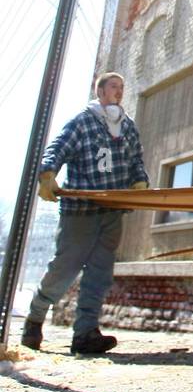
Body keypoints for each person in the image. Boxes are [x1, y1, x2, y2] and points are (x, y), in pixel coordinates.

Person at [21, 72, 150, 356]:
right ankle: (35, 319)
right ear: (100, 91)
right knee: (65, 268)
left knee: (100, 273)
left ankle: (86, 333)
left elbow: (136, 159)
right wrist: (48, 173)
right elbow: (58, 147)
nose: (118, 91)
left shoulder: (127, 126)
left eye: (122, 87)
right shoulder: (83, 120)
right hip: (81, 210)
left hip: (112, 210)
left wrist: (140, 181)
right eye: (113, 86)